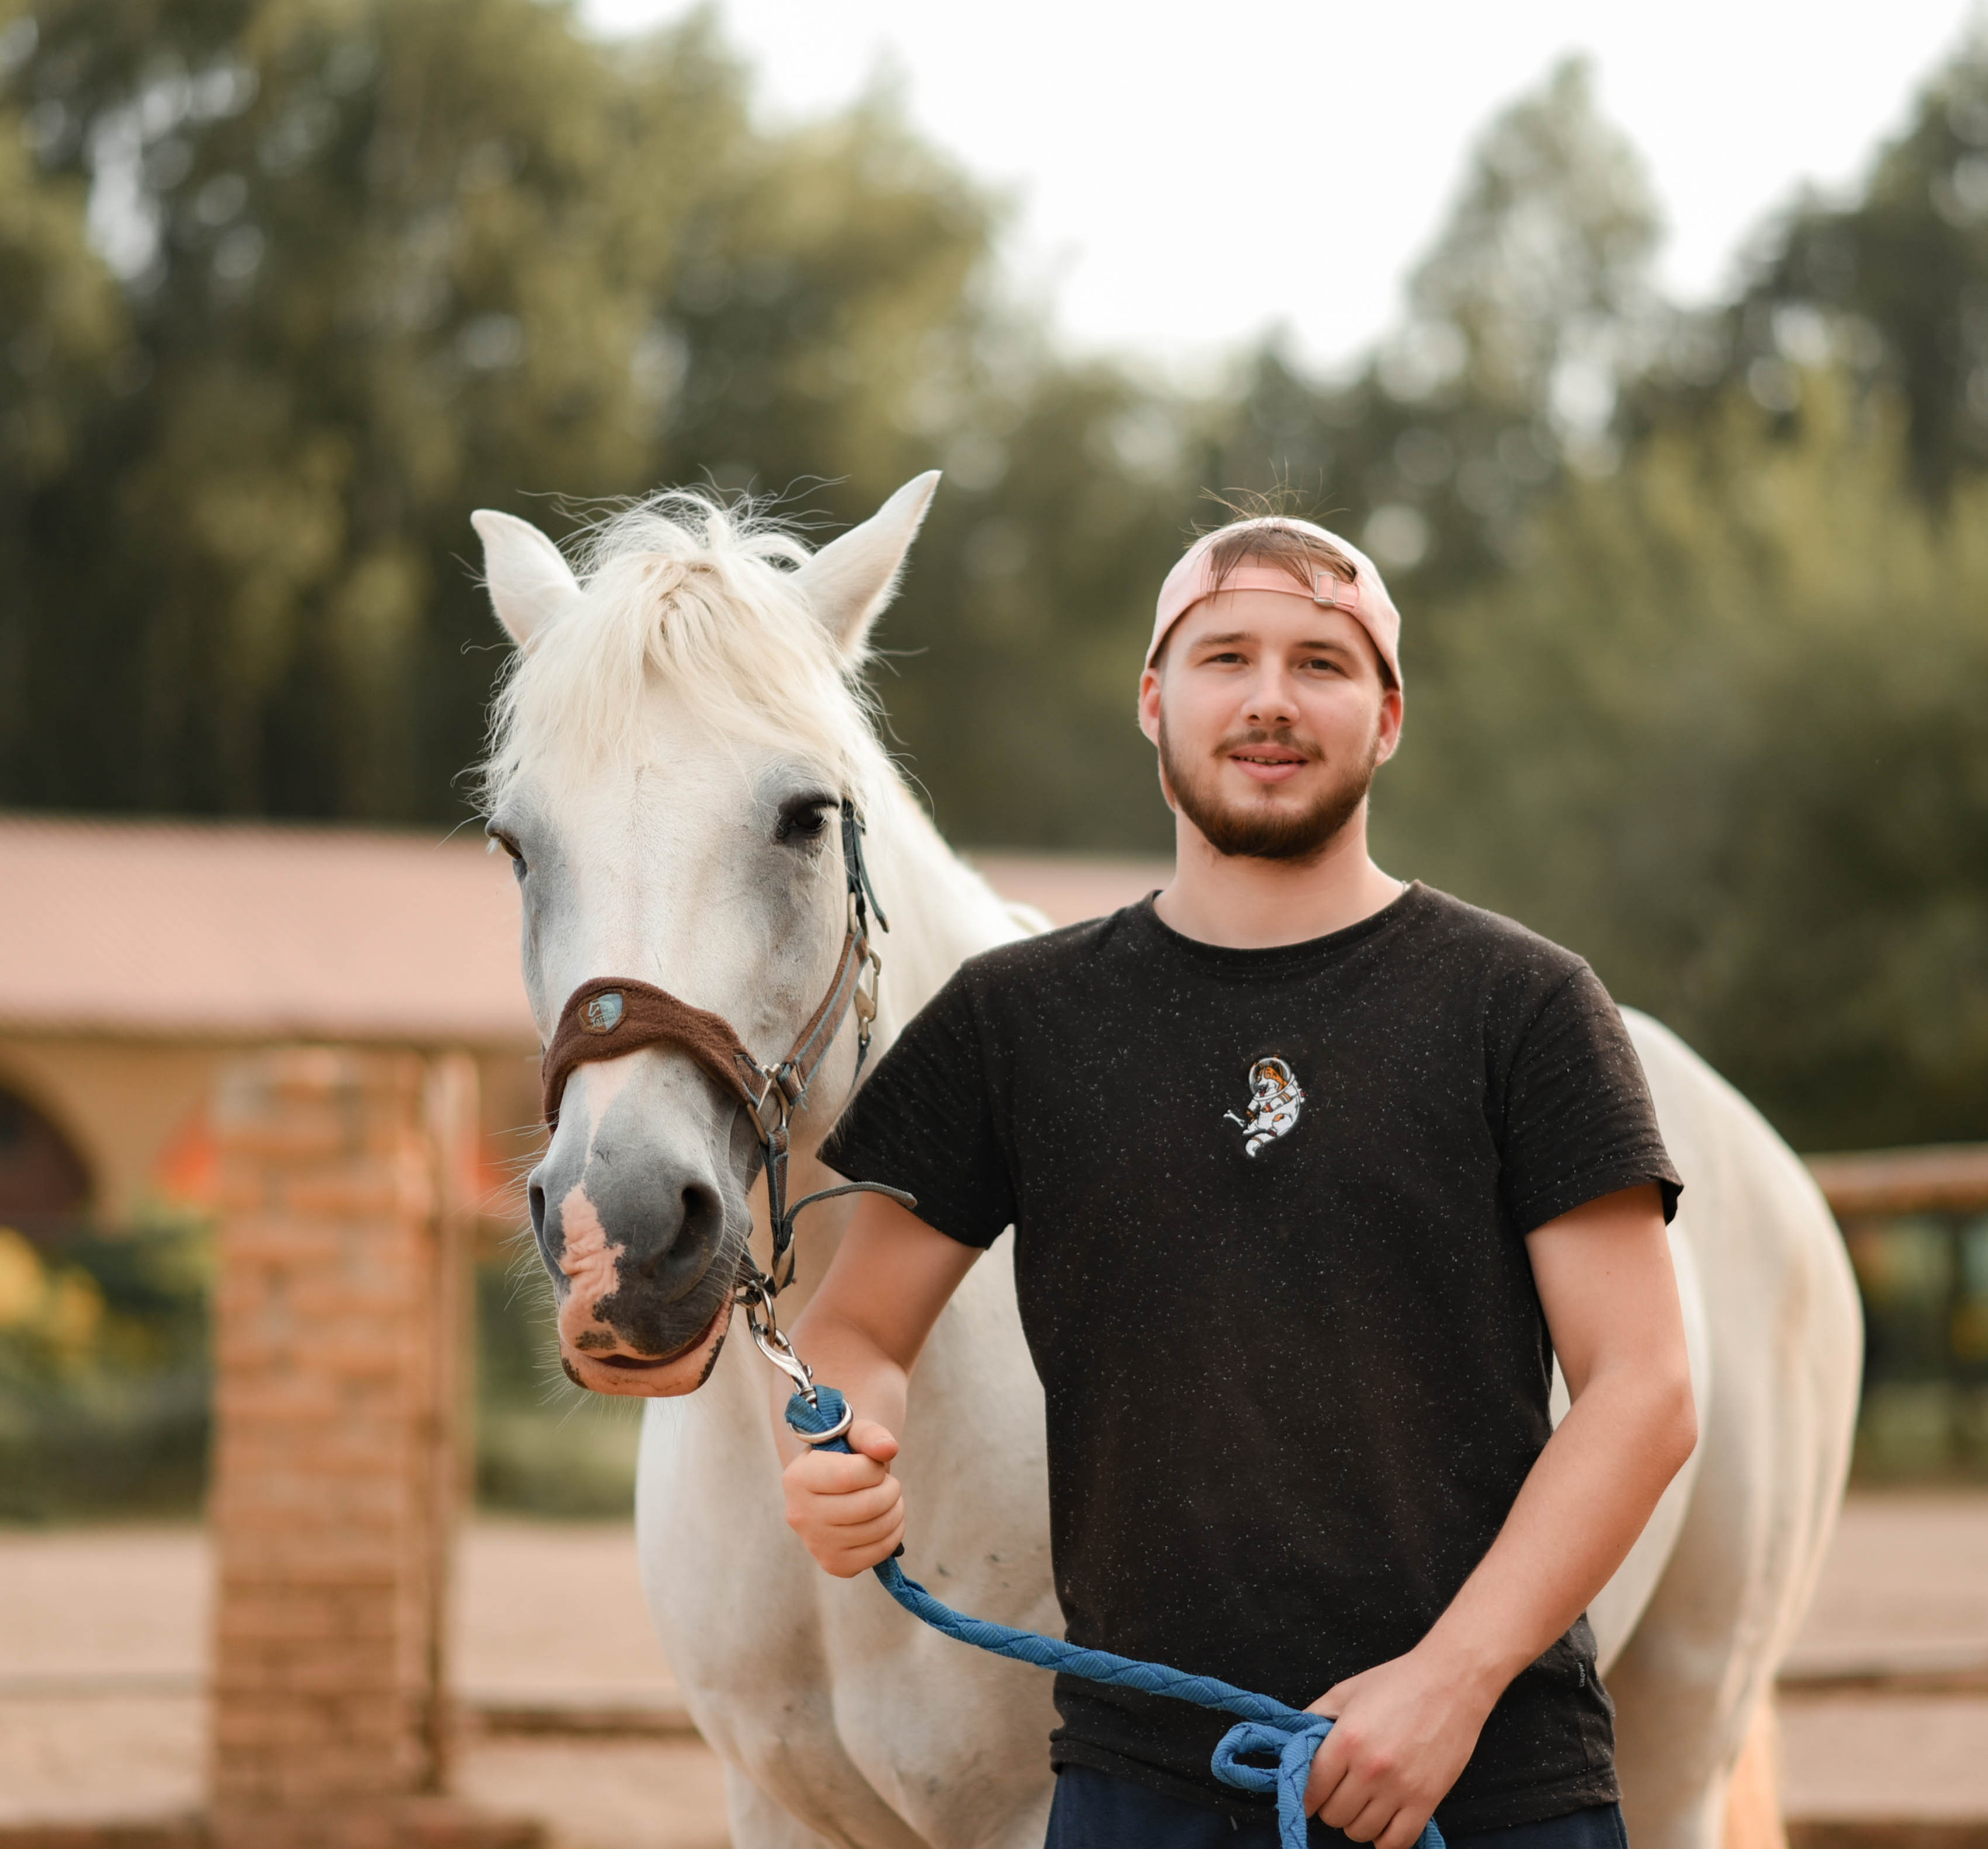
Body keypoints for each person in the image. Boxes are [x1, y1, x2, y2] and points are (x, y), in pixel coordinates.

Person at [777, 513, 1697, 1849]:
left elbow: (1646, 1388)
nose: (1270, 697)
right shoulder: (1012, 1022)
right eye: (1225, 656)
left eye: (1323, 662)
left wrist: (1448, 1685)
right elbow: (855, 1326)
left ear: (1387, 717)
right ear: (1154, 702)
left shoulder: (1526, 1007)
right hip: (1135, 1789)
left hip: (1485, 1785)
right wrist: (841, 1442)